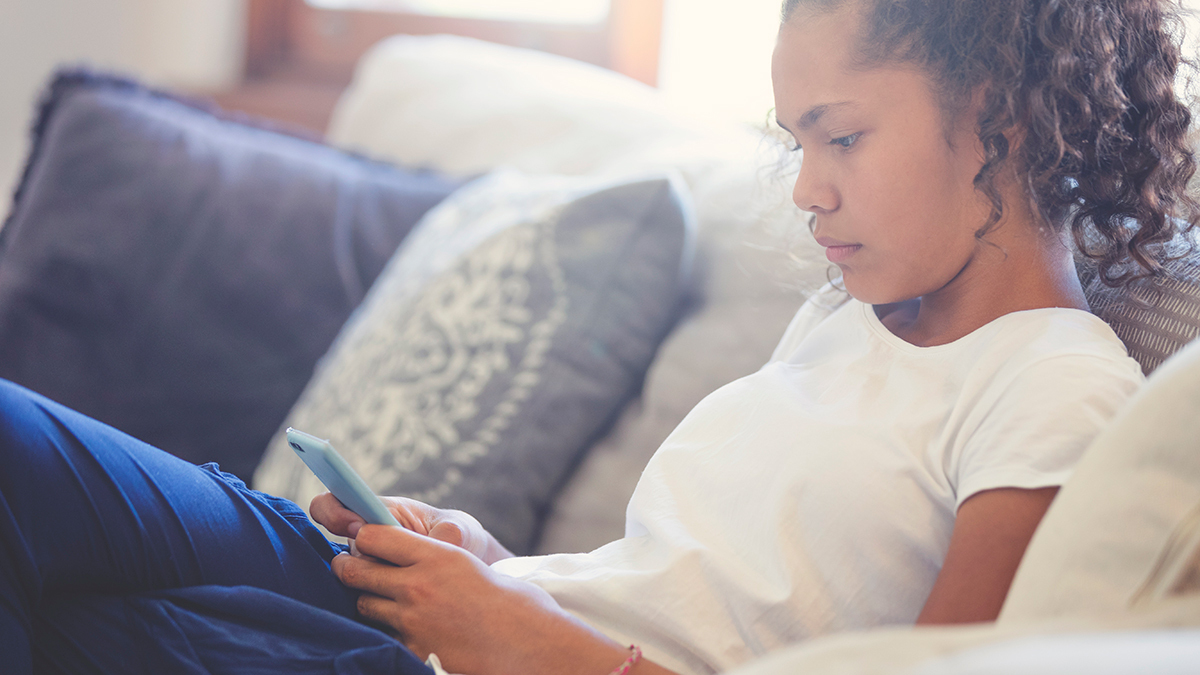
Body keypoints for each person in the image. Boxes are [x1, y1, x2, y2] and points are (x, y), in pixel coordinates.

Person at [1, 0, 1195, 673]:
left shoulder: (1054, 385)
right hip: (473, 626)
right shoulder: (851, 318)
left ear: (1000, 121)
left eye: (840, 139)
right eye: (796, 145)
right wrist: (493, 565)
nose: (806, 192)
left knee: (67, 631)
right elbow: (677, 587)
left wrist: (526, 644)